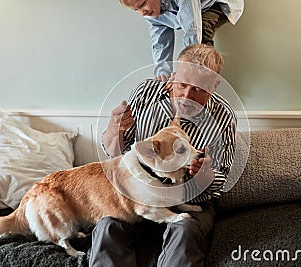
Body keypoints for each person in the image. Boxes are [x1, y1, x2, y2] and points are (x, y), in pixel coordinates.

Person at [90, 44, 236, 266]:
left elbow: (221, 180)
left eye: (198, 89)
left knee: (185, 229)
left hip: (191, 199)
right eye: (183, 85)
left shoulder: (223, 117)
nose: (187, 96)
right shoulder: (146, 93)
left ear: (215, 85)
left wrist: (203, 175)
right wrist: (114, 130)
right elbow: (115, 154)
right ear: (174, 74)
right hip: (136, 194)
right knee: (107, 226)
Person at [118, 0, 244, 81]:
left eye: (142, 4)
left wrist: (185, 70)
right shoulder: (150, 13)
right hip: (195, 9)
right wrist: (163, 73)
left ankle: (203, 83)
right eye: (136, 10)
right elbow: (160, 42)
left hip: (219, 3)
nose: (142, 12)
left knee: (203, 31)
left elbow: (192, 29)